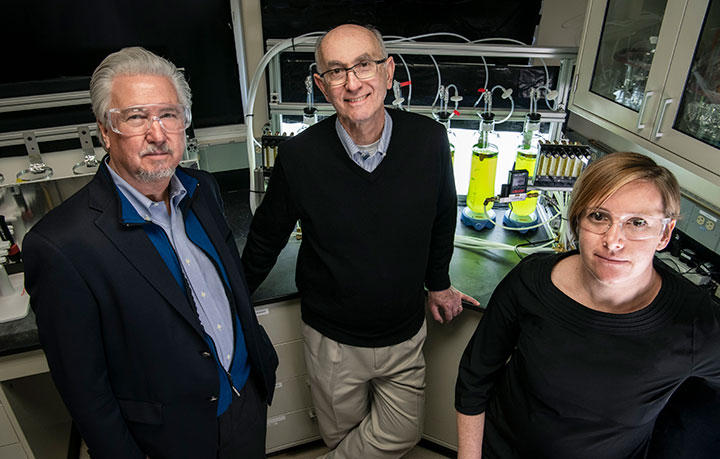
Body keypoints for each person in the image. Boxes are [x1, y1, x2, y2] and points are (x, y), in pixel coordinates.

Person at [23, 47, 278, 459]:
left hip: (245, 402)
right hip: (168, 440)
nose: (157, 133)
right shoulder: (61, 246)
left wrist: (260, 361)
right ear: (106, 131)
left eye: (169, 114)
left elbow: (232, 290)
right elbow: (85, 390)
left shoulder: (203, 188)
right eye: (137, 117)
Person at [242, 24, 478, 458]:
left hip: (405, 334)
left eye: (364, 65)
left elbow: (444, 217)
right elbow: (264, 240)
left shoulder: (429, 141)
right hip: (332, 341)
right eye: (336, 71)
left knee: (402, 436)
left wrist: (439, 282)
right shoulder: (299, 157)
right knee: (341, 438)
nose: (352, 83)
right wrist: (234, 307)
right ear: (320, 85)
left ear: (388, 72)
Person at [455, 151, 720, 458]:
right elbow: (475, 377)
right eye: (599, 216)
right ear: (578, 220)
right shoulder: (532, 280)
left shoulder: (695, 322)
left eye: (637, 222)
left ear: (664, 233)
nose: (613, 240)